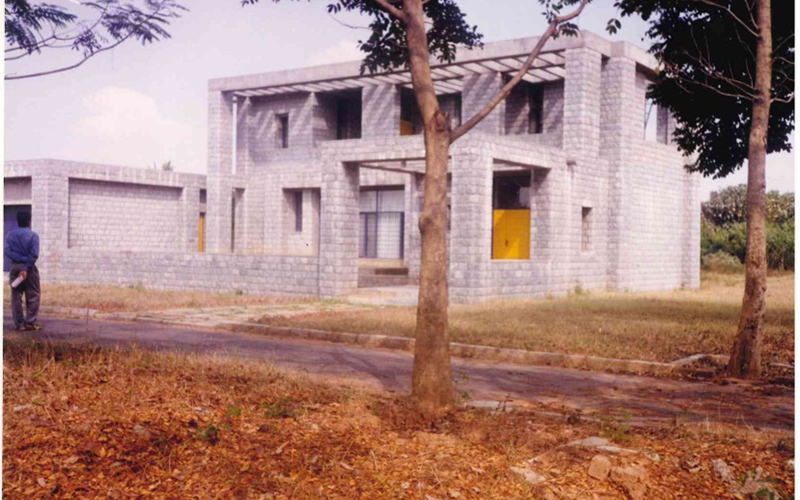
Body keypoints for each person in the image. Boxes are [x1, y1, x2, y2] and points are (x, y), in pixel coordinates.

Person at [5, 210, 40, 331]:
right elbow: (34, 254)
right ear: (29, 221)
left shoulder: (10, 235)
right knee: (33, 294)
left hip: (15, 268)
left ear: (17, 221)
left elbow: (7, 251)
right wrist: (25, 265)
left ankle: (19, 324)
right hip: (30, 268)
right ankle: (30, 322)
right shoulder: (33, 236)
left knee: (16, 296)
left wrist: (19, 262)